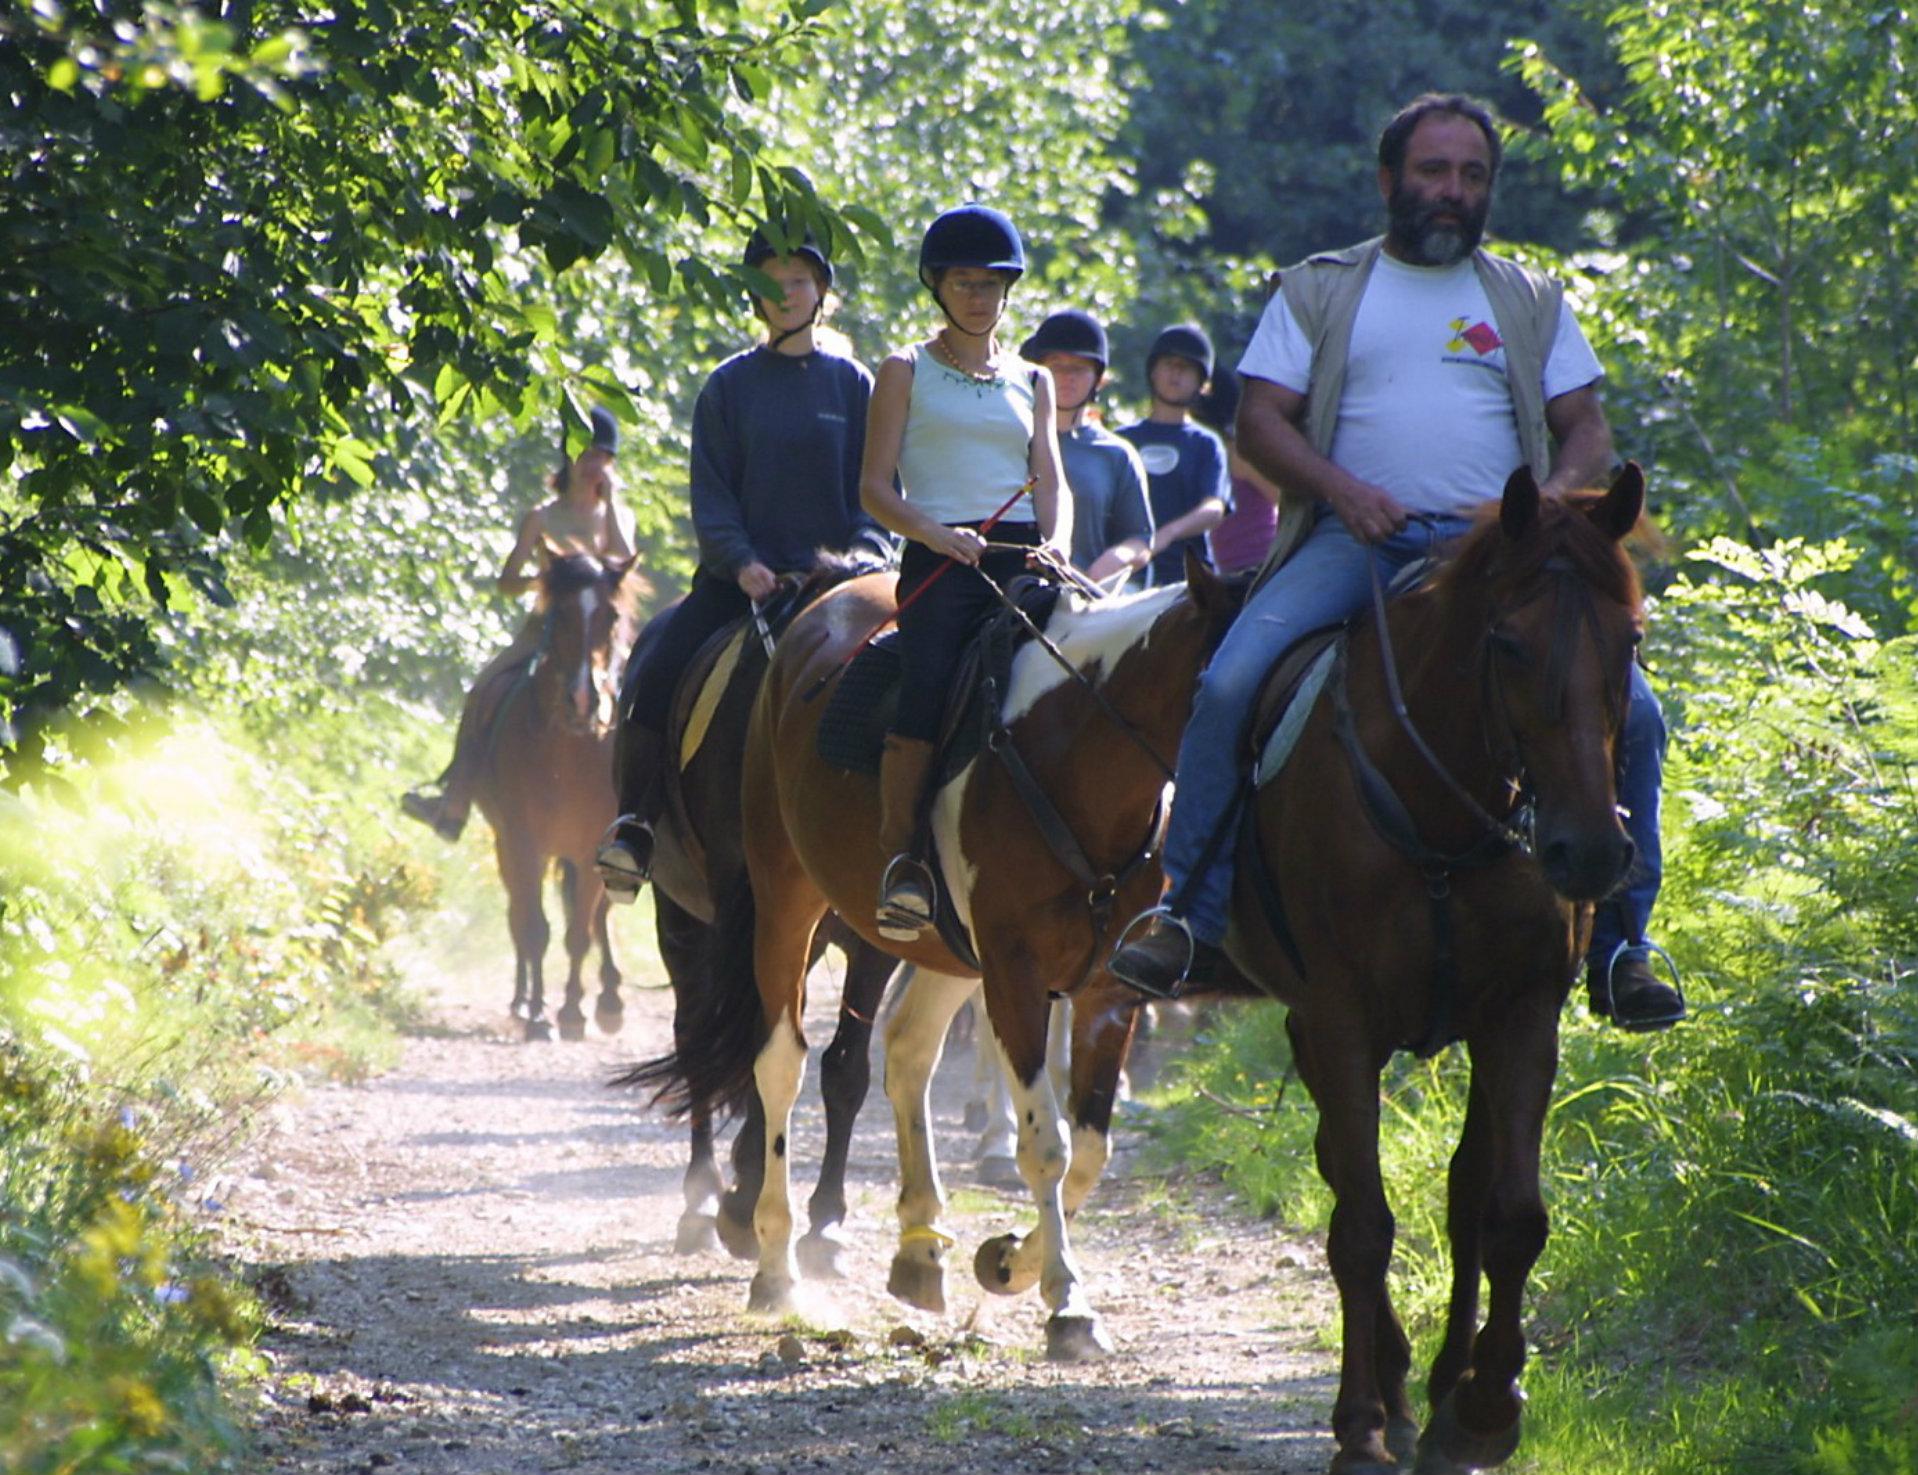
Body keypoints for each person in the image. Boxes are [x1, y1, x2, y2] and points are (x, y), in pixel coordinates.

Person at [1109, 92, 1684, 1031]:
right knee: (1227, 685)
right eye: (1432, 172)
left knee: (1641, 716)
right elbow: (1260, 418)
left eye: (1471, 175)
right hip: (1351, 538)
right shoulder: (1322, 287)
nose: (1451, 191)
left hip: (1503, 559)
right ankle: (1189, 917)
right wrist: (1341, 489)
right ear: (1389, 181)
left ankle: (1624, 944)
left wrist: (1553, 502)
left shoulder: (1529, 298)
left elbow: (1585, 426)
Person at [593, 229, 890, 899]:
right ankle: (636, 824)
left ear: (821, 292)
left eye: (798, 280)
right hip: (744, 584)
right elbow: (712, 495)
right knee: (659, 667)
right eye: (770, 281)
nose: (784, 294)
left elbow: (879, 489)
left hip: (839, 589)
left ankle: (906, 847)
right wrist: (742, 563)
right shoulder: (727, 386)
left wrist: (862, 561)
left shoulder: (857, 386)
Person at [858, 203, 1068, 940]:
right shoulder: (904, 369)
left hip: (1023, 558)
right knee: (927, 681)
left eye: (991, 283)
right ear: (938, 287)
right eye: (963, 282)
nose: (978, 296)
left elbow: (1051, 478)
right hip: (938, 556)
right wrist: (937, 534)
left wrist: (1059, 540)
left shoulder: (1035, 379)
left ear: (1009, 290)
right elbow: (875, 489)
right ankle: (904, 860)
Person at [401, 406, 634, 842]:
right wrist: (544, 581)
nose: (593, 465)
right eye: (586, 454)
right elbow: (507, 582)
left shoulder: (616, 517)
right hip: (544, 632)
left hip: (603, 640)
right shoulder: (541, 517)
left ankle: (641, 813)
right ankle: (454, 798)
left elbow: (622, 563)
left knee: (642, 705)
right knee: (484, 688)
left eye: (603, 456)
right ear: (568, 457)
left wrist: (614, 503)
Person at [1019, 308, 1154, 587]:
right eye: (1056, 365)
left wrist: (1115, 559)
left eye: (1079, 368)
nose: (1067, 377)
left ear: (1097, 378)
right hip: (1010, 590)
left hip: (1082, 596)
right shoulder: (1012, 439)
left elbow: (1139, 539)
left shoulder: (1117, 454)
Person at [1116, 324, 1231, 588]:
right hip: (1124, 574)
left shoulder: (1206, 443)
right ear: (1153, 371)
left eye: (1187, 367)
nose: (1176, 373)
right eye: (1169, 363)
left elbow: (1214, 508)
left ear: (1203, 384)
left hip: (1188, 578)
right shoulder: (1122, 439)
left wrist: (1166, 535)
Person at [1195, 367, 1282, 577]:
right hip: (1222, 570)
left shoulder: (1239, 453)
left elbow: (1280, 497)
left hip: (1258, 564)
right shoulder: (1199, 455)